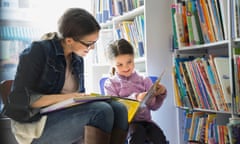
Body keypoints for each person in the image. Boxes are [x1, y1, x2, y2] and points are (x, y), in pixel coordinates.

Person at [2, 8, 128, 144]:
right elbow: (19, 99)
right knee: (102, 111)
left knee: (119, 108)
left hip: (64, 117)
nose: (92, 48)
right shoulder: (38, 51)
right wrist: (70, 97)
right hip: (35, 126)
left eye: (94, 43)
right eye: (89, 43)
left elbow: (77, 100)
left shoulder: (78, 59)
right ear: (69, 40)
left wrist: (86, 98)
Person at [104, 38, 168, 144]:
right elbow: (115, 108)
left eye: (129, 62)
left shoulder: (144, 80)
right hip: (125, 124)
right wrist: (136, 98)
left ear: (134, 58)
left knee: (159, 136)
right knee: (137, 133)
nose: (126, 67)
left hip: (146, 122)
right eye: (120, 65)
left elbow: (154, 107)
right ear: (112, 65)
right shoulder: (110, 83)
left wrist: (160, 94)